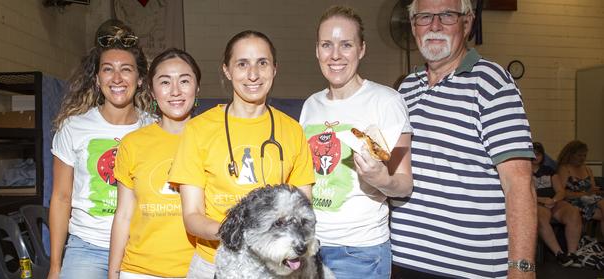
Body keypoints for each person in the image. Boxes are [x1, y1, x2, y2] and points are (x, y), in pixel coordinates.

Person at [390, 0, 537, 278]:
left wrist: (522, 268)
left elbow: (519, 183)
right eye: (424, 17)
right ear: (413, 26)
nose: (434, 26)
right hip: (402, 261)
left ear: (467, 22)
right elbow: (395, 166)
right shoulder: (406, 88)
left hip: (469, 268)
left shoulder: (492, 83)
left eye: (446, 15)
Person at [168, 30, 315, 279]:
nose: (253, 74)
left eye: (262, 63)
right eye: (242, 64)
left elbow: (303, 207)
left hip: (275, 267)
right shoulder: (199, 129)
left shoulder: (292, 130)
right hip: (212, 263)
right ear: (227, 70)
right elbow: (192, 216)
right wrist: (238, 233)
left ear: (274, 68)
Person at [298, 5, 413, 279]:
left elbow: (403, 182)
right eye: (327, 45)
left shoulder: (387, 103)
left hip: (360, 253)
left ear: (361, 49)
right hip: (310, 248)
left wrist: (379, 177)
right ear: (317, 50)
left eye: (346, 45)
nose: (335, 55)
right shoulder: (310, 106)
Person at [49, 20, 153, 279]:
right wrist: (55, 266)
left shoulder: (154, 129)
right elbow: (61, 198)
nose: (117, 78)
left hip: (138, 247)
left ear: (140, 79)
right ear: (97, 79)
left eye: (126, 70)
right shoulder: (73, 128)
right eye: (108, 69)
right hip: (87, 247)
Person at [107, 48, 201, 279]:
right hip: (140, 271)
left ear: (197, 87)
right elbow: (124, 215)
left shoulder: (214, 138)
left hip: (200, 270)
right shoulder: (134, 143)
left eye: (185, 81)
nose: (176, 91)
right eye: (165, 82)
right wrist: (113, 274)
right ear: (151, 89)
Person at [532, 142, 582, 267]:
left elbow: (561, 191)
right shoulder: (523, 172)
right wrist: (543, 200)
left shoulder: (549, 171)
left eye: (539, 154)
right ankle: (559, 253)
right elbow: (524, 194)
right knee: (541, 218)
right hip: (537, 202)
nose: (536, 157)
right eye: (534, 154)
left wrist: (553, 200)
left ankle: (572, 253)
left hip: (553, 201)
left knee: (573, 212)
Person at [556, 140, 604, 238]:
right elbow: (561, 193)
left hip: (591, 201)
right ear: (571, 155)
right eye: (579, 155)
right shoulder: (564, 169)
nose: (582, 158)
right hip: (573, 203)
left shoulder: (587, 169)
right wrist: (584, 193)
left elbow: (593, 190)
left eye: (584, 156)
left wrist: (595, 191)